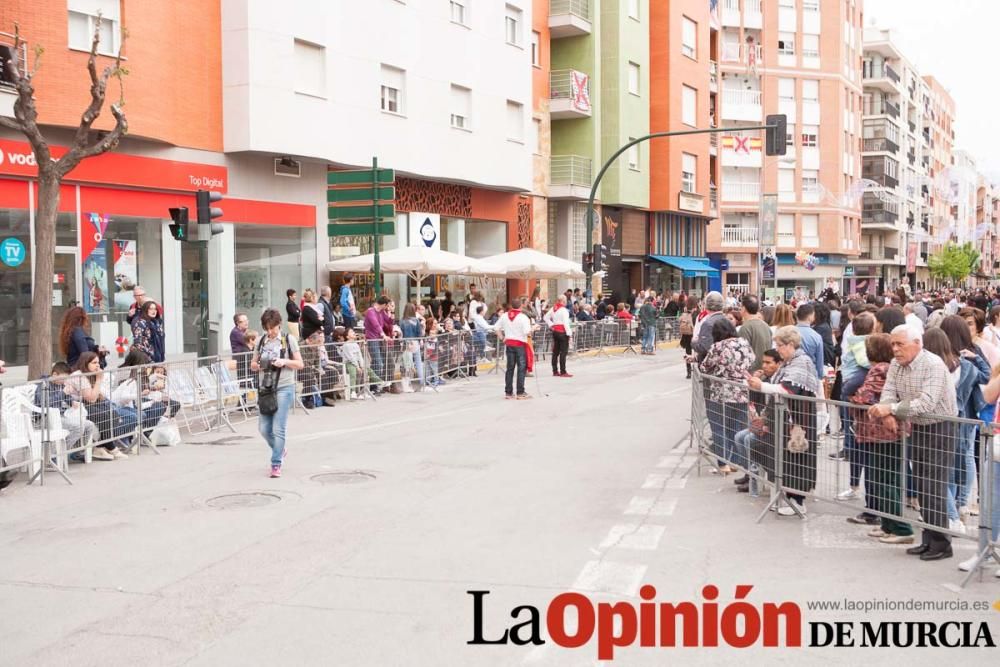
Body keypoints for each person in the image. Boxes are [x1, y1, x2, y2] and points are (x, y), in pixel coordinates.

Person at [868, 324, 958, 561]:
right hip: (918, 425)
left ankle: (941, 543)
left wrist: (892, 409)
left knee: (934, 485)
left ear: (918, 344)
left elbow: (926, 403)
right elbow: (889, 391)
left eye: (900, 344)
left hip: (940, 427)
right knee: (921, 483)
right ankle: (928, 539)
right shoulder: (897, 365)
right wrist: (887, 412)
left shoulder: (933, 365)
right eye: (893, 344)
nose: (895, 349)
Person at [747, 326, 821, 517]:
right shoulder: (790, 363)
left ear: (790, 345)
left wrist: (761, 385)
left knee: (796, 459)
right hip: (786, 421)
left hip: (798, 421)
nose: (777, 349)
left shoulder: (801, 363)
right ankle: (787, 497)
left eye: (779, 345)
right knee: (786, 461)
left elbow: (788, 389)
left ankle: (797, 501)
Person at [848, 333, 915, 544]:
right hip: (885, 431)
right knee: (883, 478)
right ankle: (888, 524)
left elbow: (864, 396)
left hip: (883, 433)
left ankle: (901, 528)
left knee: (885, 479)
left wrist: (854, 397)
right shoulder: (890, 368)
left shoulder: (880, 369)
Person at [250, 308, 304, 478]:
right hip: (266, 388)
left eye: (273, 327)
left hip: (284, 386)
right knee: (264, 428)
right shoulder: (260, 341)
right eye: (267, 328)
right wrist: (258, 365)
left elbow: (300, 364)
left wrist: (284, 361)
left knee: (278, 427)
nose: (270, 331)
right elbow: (253, 363)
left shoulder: (289, 340)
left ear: (279, 324)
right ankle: (280, 449)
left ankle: (276, 463)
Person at [698, 318, 754, 473]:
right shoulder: (744, 343)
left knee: (719, 427)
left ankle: (723, 464)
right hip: (742, 391)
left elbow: (705, 366)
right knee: (737, 427)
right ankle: (736, 462)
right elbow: (752, 360)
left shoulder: (718, 346)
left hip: (721, 393)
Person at [65, 352, 135, 460]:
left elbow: (98, 397)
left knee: (113, 413)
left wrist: (98, 384)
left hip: (85, 404)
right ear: (85, 363)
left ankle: (100, 447)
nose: (98, 365)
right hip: (73, 408)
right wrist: (99, 380)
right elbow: (92, 398)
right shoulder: (79, 376)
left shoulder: (90, 374)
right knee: (103, 416)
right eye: (94, 363)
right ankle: (111, 448)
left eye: (98, 362)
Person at [497, 297, 532, 400]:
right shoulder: (523, 317)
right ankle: (520, 392)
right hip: (520, 344)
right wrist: (533, 328)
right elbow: (527, 332)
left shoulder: (504, 316)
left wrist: (502, 338)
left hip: (509, 344)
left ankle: (508, 392)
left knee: (510, 368)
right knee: (521, 368)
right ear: (521, 305)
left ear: (511, 306)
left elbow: (496, 328)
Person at [363, 296, 392, 395]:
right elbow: (376, 325)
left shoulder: (381, 312)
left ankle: (373, 387)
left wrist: (390, 312)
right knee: (379, 363)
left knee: (375, 363)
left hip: (378, 339)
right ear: (384, 304)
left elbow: (388, 321)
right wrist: (383, 335)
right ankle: (376, 384)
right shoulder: (371, 311)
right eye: (387, 306)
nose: (387, 307)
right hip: (372, 339)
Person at [738, 295, 771, 371]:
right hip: (764, 371)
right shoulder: (766, 326)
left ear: (743, 308)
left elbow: (742, 353)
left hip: (751, 373)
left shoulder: (745, 328)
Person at [794, 304, 825, 381]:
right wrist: (819, 377)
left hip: (792, 373)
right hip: (810, 375)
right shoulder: (816, 336)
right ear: (810, 316)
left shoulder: (789, 332)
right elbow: (819, 361)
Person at [692, 291, 725, 363]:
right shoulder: (727, 320)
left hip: (710, 363)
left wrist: (694, 342)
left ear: (706, 305)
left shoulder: (706, 322)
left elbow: (703, 347)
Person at [544, 294, 573, 376]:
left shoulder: (553, 308)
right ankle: (563, 371)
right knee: (563, 352)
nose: (566, 302)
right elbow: (566, 323)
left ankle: (555, 371)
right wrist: (569, 334)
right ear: (563, 301)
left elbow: (545, 317)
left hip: (555, 331)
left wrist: (551, 325)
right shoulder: (564, 310)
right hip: (563, 332)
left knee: (555, 352)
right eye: (566, 301)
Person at [679, 297, 697, 378]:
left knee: (688, 353)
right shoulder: (696, 313)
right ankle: (697, 370)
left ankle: (688, 372)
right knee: (697, 353)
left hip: (686, 335)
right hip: (694, 335)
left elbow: (679, 320)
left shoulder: (685, 312)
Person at [230, 313, 251, 382]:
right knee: (244, 380)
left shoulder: (243, 331)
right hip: (241, 360)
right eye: (244, 321)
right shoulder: (236, 332)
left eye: (247, 320)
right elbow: (249, 343)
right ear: (238, 323)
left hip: (246, 359)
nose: (246, 322)